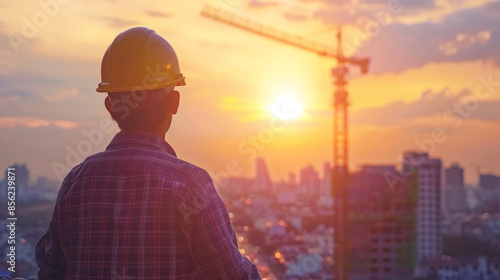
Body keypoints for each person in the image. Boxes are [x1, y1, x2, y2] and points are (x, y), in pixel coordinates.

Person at [35, 27, 261, 280]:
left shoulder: (75, 183)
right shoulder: (190, 185)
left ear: (111, 107)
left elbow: (52, 272)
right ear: (174, 103)